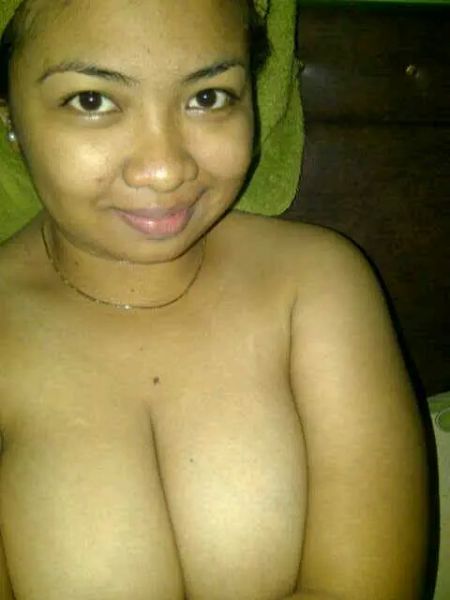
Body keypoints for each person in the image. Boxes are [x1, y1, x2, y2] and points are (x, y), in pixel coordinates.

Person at [0, 0, 430, 599]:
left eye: (208, 97)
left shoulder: (315, 287)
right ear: (9, 115)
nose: (164, 169)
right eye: (92, 100)